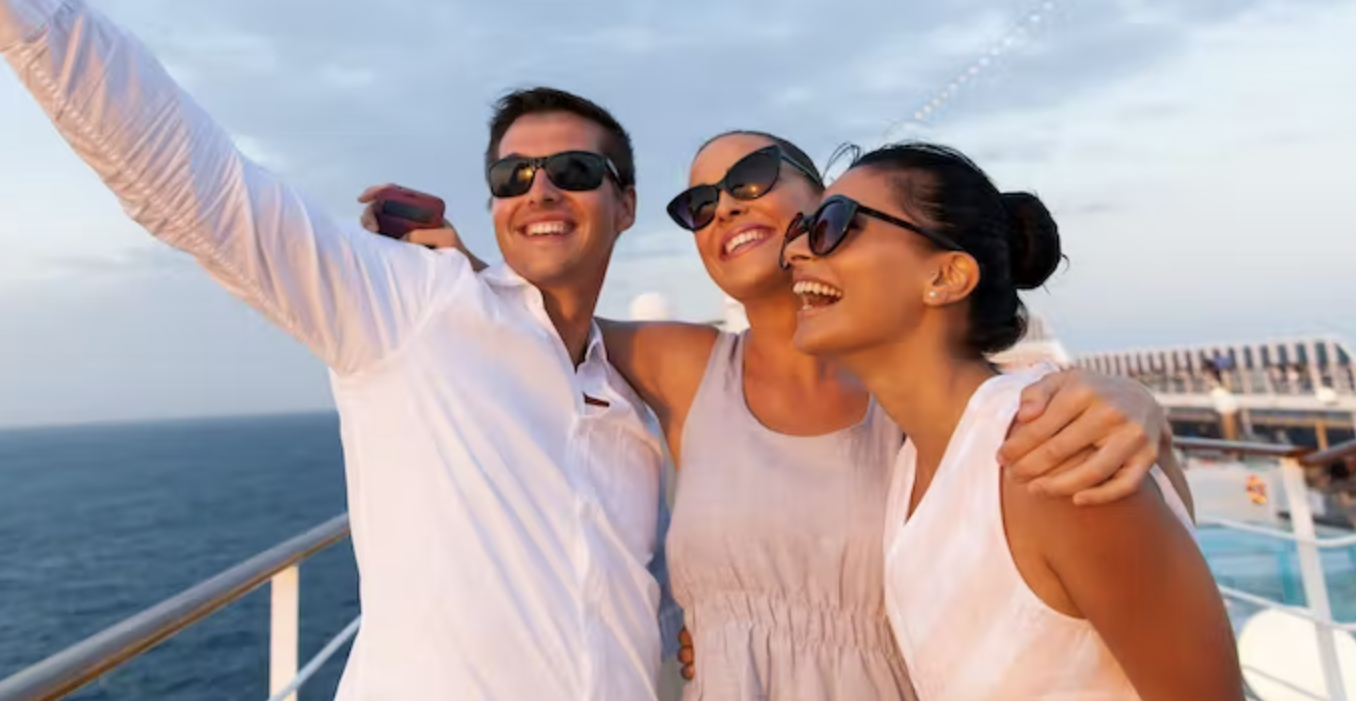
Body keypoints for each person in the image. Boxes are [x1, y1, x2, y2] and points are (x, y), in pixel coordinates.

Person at [0, 0, 667, 701]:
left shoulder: (638, 401)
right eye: (512, 175)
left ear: (626, 204)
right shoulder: (413, 308)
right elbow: (196, 183)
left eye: (575, 172)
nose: (541, 191)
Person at [365, 131, 1185, 700]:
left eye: (753, 178)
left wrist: (1136, 403)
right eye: (698, 203)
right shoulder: (689, 367)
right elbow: (541, 325)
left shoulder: (928, 395)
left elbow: (1001, 416)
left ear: (822, 206)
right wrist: (462, 263)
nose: (724, 206)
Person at [783, 142, 1241, 700]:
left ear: (947, 276)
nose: (796, 250)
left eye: (833, 224)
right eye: (802, 228)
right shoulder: (916, 463)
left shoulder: (1050, 453)